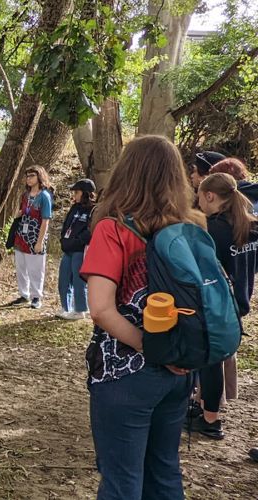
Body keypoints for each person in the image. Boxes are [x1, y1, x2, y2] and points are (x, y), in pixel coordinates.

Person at [80, 135, 199, 499]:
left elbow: (100, 308)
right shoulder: (193, 228)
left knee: (122, 480)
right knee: (164, 472)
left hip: (125, 372)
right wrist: (172, 354)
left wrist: (149, 347)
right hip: (179, 371)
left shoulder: (113, 229)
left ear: (125, 173)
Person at [187, 172, 258, 440]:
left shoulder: (213, 228)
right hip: (240, 300)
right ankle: (206, 408)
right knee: (215, 358)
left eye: (199, 197)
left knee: (210, 361)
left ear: (209, 196)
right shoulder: (251, 226)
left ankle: (211, 419)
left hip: (215, 302)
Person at [9, 165, 53, 309]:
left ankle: (36, 296)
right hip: (22, 234)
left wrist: (40, 242)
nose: (28, 179)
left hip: (35, 236)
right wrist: (19, 213)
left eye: (32, 176)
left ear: (39, 177)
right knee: (21, 266)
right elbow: (24, 210)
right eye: (27, 176)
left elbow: (46, 220)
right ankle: (24, 294)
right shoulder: (25, 195)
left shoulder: (44, 196)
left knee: (35, 268)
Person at [57, 178, 95, 320]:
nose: (74, 195)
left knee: (79, 281)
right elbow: (66, 225)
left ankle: (80, 310)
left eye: (77, 192)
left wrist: (77, 242)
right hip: (68, 249)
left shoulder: (93, 210)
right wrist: (63, 240)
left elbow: (90, 231)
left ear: (86, 193)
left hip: (80, 250)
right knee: (64, 278)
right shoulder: (74, 207)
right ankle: (65, 307)